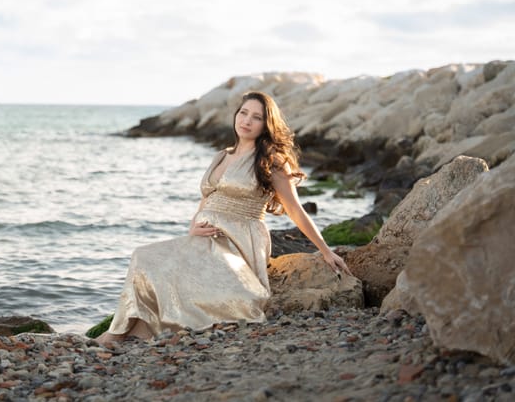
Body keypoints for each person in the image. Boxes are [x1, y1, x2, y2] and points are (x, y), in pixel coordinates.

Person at [96, 90, 352, 343]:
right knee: (145, 257)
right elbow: (207, 198)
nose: (247, 121)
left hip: (239, 241)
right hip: (203, 240)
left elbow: (295, 208)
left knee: (181, 277)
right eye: (243, 113)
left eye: (256, 117)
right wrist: (193, 226)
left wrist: (325, 251)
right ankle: (125, 332)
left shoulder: (271, 160)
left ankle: (115, 336)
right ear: (236, 115)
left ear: (266, 125)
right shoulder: (222, 156)